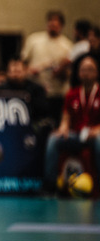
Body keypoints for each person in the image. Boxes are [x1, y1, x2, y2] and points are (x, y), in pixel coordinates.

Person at [43, 55, 100, 194]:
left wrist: (97, 130)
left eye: (90, 69)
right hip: (76, 135)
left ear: (97, 72)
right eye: (83, 69)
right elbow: (65, 118)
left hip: (94, 136)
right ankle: (50, 187)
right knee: (54, 139)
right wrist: (63, 129)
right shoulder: (71, 94)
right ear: (79, 73)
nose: (86, 73)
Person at [22, 10, 74, 121]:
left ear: (61, 26)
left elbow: (70, 73)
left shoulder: (67, 46)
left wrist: (61, 72)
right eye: (51, 23)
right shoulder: (34, 40)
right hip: (35, 89)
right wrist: (30, 70)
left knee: (53, 122)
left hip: (56, 93)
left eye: (56, 24)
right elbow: (23, 63)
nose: (53, 26)